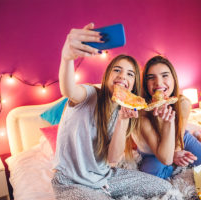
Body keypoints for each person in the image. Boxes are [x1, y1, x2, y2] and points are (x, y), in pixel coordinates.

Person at [51, 23, 172, 200]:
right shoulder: (90, 95)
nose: (123, 76)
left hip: (106, 178)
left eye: (130, 74)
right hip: (71, 183)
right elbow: (68, 89)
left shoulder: (126, 110)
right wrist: (67, 58)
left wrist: (122, 120)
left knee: (165, 188)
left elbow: (113, 158)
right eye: (117, 70)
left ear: (133, 86)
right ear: (107, 76)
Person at [132, 55, 201, 179]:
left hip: (180, 138)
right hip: (152, 151)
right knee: (152, 176)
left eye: (165, 75)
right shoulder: (142, 112)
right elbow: (163, 156)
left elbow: (179, 135)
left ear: (173, 79)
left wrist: (176, 150)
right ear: (145, 84)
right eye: (151, 78)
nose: (159, 83)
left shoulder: (183, 103)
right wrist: (172, 156)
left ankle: (200, 137)